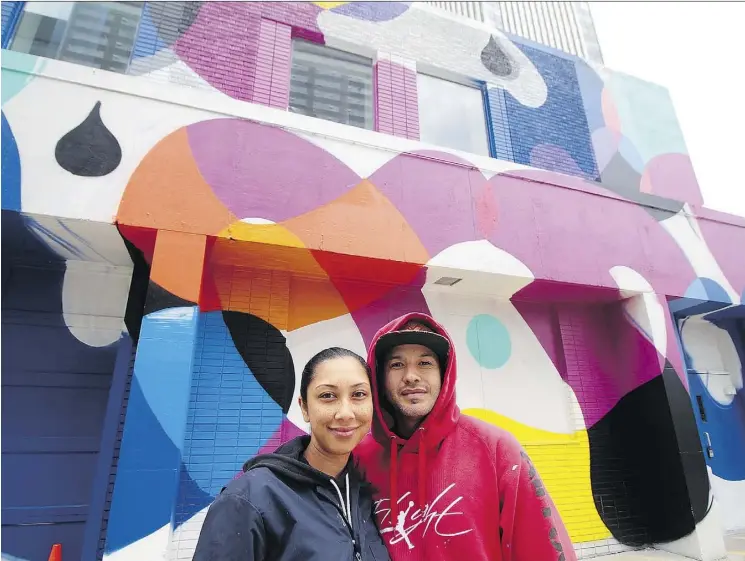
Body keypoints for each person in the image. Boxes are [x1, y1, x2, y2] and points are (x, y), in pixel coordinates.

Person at [355, 313, 576, 561]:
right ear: (379, 378)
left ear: (444, 373)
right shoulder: (358, 459)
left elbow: (541, 550)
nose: (411, 376)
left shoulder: (496, 449)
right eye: (397, 364)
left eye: (425, 363)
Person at [193, 347, 391, 561]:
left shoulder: (367, 493)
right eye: (327, 396)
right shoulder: (249, 498)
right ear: (304, 407)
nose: (345, 413)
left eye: (359, 394)